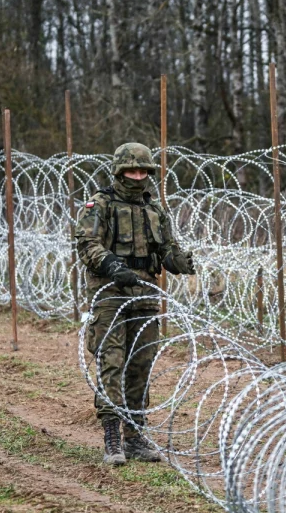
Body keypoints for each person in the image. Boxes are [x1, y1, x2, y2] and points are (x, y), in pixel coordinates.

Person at [75, 142, 196, 466]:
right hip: (110, 291)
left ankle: (135, 434)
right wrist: (113, 265)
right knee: (112, 361)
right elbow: (86, 244)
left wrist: (180, 261)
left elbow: (167, 248)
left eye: (143, 171)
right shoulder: (98, 205)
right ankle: (112, 435)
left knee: (141, 364)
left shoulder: (154, 210)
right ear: (119, 171)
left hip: (144, 291)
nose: (137, 176)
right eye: (131, 170)